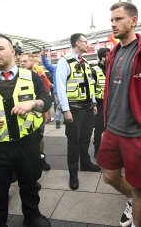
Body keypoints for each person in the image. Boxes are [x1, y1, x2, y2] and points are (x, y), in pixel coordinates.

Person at [0, 34, 52, 227]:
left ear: (13, 52)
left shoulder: (31, 76)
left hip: (27, 144)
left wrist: (32, 103)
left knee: (30, 185)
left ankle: (33, 217)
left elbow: (46, 100)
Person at [97, 2, 141, 227]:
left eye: (118, 19)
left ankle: (137, 223)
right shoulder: (114, 51)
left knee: (140, 188)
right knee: (109, 177)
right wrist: (106, 125)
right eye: (111, 20)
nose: (113, 24)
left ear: (133, 21)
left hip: (137, 133)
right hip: (112, 129)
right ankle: (129, 199)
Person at [56, 33, 101, 191]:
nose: (87, 44)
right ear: (77, 42)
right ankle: (73, 173)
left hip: (88, 108)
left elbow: (91, 84)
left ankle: (86, 163)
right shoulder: (64, 61)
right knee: (73, 142)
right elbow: (60, 87)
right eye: (85, 42)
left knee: (85, 139)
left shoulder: (86, 62)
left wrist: (94, 102)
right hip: (74, 110)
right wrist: (65, 110)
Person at [20, 52, 52, 171]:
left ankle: (41, 158)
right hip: (22, 115)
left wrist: (47, 113)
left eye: (25, 61)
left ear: (32, 62)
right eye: (21, 61)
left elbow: (47, 96)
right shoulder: (17, 77)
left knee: (39, 137)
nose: (22, 63)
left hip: (38, 114)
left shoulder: (41, 77)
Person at [91, 47, 109, 158]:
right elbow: (91, 88)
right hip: (99, 103)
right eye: (109, 56)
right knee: (99, 128)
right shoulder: (94, 70)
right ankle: (97, 150)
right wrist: (94, 104)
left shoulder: (111, 68)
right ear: (103, 57)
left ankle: (108, 148)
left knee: (110, 127)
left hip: (110, 103)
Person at [41, 49, 62, 129]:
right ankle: (58, 120)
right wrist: (43, 56)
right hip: (57, 91)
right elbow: (46, 64)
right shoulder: (54, 69)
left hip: (66, 91)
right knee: (59, 107)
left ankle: (63, 119)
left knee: (63, 106)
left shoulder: (66, 69)